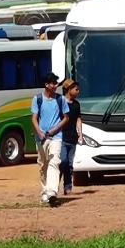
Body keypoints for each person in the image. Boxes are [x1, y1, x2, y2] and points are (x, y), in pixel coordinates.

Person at [30, 72, 69, 206]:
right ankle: (45, 192)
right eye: (53, 83)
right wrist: (39, 132)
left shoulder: (61, 99)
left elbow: (66, 117)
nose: (55, 86)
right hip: (41, 138)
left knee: (54, 162)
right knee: (43, 165)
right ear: (46, 85)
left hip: (56, 137)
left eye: (56, 83)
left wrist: (55, 129)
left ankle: (52, 193)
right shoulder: (37, 99)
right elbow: (34, 118)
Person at [59, 79, 83, 195]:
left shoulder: (76, 105)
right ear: (68, 89)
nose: (78, 91)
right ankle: (54, 186)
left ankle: (67, 187)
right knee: (62, 161)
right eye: (76, 89)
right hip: (61, 137)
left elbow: (78, 119)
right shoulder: (59, 102)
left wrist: (80, 134)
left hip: (72, 137)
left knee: (69, 163)